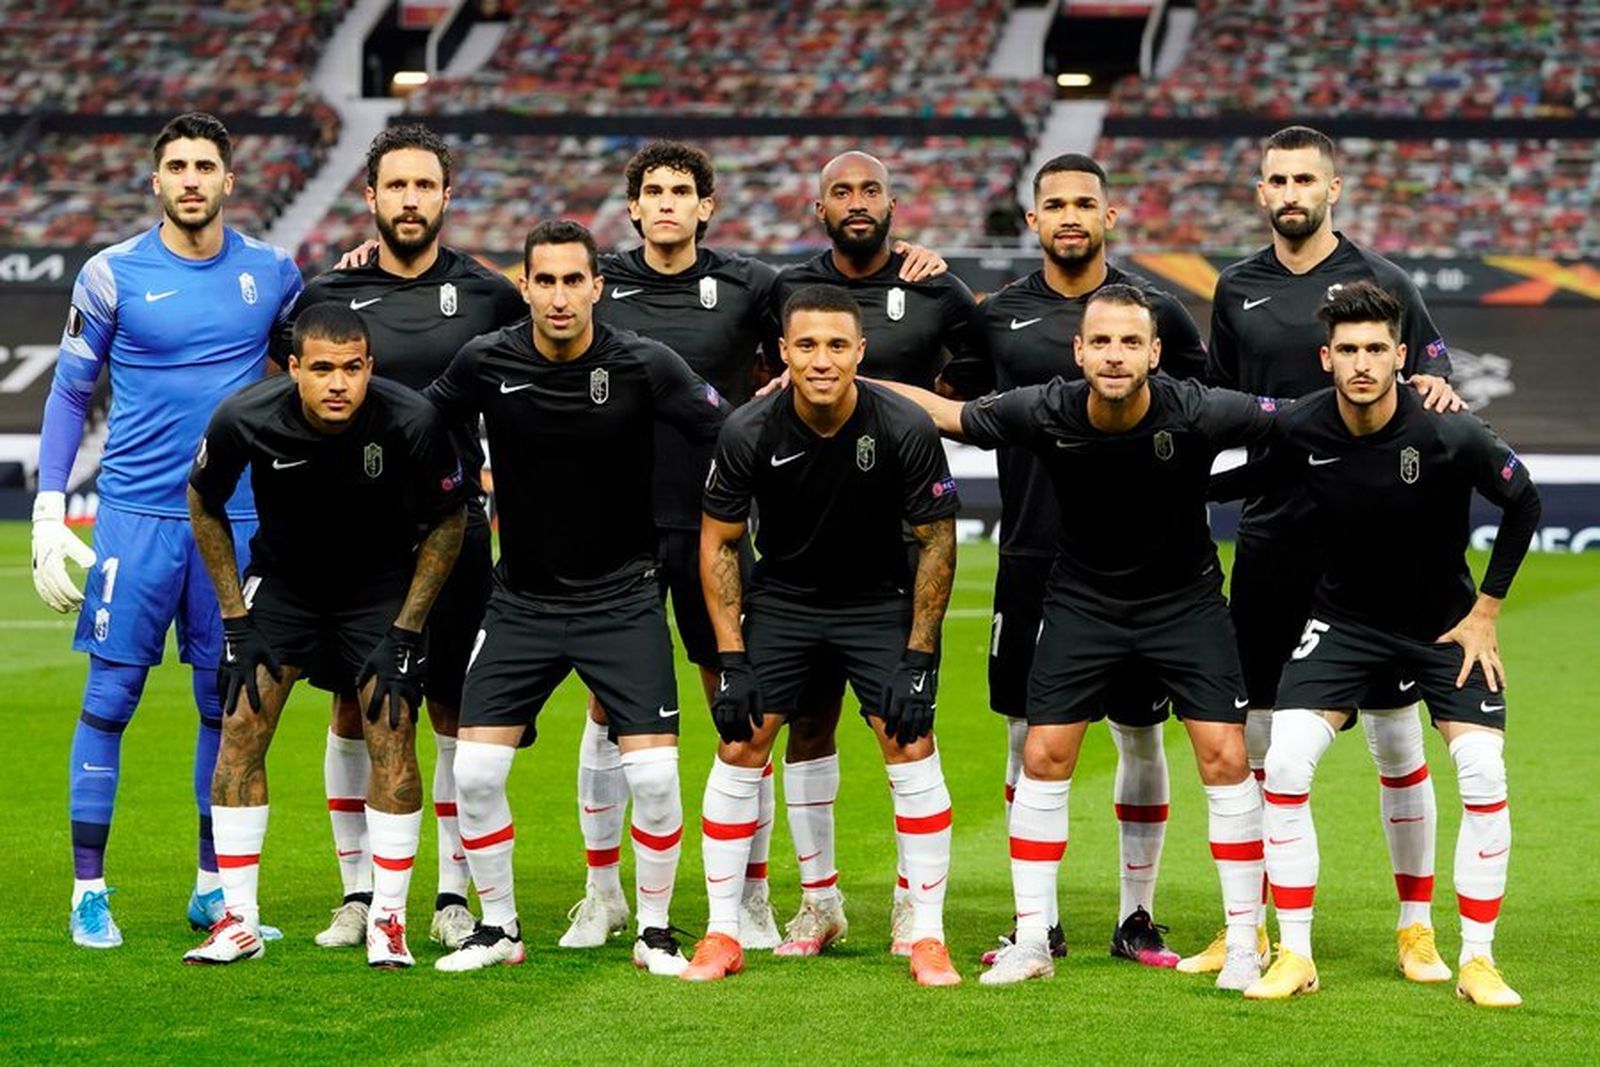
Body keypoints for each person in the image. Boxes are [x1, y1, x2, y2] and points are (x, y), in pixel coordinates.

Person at [566, 141, 953, 955]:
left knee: (736, 710)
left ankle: (750, 898)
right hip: (615, 526)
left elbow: (836, 295)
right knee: (608, 709)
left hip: (721, 522)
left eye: (683, 191)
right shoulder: (590, 280)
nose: (667, 203)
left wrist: (915, 263)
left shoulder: (753, 284)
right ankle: (600, 893)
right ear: (632, 205)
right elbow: (522, 319)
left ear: (707, 205)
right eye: (653, 192)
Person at [888, 285, 1274, 990]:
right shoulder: (1048, 407)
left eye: (1131, 342)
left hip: (1184, 603)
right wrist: (848, 376)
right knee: (1044, 751)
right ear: (1079, 350)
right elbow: (949, 414)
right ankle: (1034, 937)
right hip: (1082, 603)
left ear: (1155, 353)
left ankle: (1247, 938)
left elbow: (1299, 423)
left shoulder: (1198, 409)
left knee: (1225, 753)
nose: (1115, 354)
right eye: (1102, 341)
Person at [1204, 282, 1538, 1007]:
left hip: (1442, 626)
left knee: (1482, 770)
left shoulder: (1450, 429)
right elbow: (1254, 479)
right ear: (1327, 357)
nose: (1361, 363)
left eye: (1375, 350)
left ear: (1400, 356)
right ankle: (1295, 951)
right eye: (1348, 349)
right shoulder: (1303, 426)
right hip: (1344, 624)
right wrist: (1161, 485)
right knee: (1286, 761)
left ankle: (1475, 959)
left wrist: (1486, 610)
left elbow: (1524, 499)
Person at [1185, 124, 1464, 976]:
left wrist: (1440, 386)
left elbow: (1435, 378)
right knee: (1258, 729)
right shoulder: (1235, 289)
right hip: (1273, 530)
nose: (1291, 191)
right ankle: (1251, 923)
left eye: (1306, 177)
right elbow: (1223, 405)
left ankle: (1414, 925)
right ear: (1261, 191)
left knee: (1393, 735)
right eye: (1277, 178)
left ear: (1334, 189)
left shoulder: (1385, 282)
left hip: (1371, 541)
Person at [423, 220, 728, 976]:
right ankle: (498, 928)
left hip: (623, 599)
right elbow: (417, 421)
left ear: (598, 286)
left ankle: (653, 929)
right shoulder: (487, 359)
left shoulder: (643, 362)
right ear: (523, 286)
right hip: (520, 602)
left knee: (655, 779)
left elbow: (727, 427)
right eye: (544, 281)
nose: (559, 297)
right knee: (474, 774)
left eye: (573, 280)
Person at [30, 112, 301, 948]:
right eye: (177, 165)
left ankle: (215, 887)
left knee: (227, 709)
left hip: (237, 521)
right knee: (109, 699)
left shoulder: (274, 273)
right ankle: (89, 891)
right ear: (156, 182)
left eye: (205, 165)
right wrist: (48, 508)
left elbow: (318, 356)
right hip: (136, 520)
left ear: (229, 180)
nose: (191, 178)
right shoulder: (111, 274)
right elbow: (71, 393)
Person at [956, 152, 1210, 969]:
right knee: (1027, 738)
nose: (1070, 215)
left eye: (1084, 203)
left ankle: (1138, 915)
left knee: (1143, 738)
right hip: (1032, 553)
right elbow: (954, 405)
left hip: (1145, 566)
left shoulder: (1158, 311)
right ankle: (1042, 921)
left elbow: (1201, 418)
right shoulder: (994, 317)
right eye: (1053, 203)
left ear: (1110, 216)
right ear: (1032, 220)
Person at [283, 124, 526, 953]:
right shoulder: (326, 294)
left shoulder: (493, 295)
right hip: (350, 539)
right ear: (372, 197)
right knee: (355, 704)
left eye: (426, 185)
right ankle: (359, 891)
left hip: (452, 530)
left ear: (446, 197)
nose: (412, 199)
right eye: (398, 186)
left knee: (457, 706)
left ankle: (452, 894)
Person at [682, 283, 960, 986]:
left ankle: (926, 932)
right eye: (806, 345)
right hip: (787, 600)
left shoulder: (904, 424)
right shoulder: (749, 428)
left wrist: (921, 654)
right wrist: (732, 656)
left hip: (877, 600)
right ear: (783, 351)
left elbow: (936, 540)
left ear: (860, 351)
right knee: (741, 741)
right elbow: (717, 544)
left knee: (910, 740)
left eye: (838, 344)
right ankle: (726, 929)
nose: (822, 359)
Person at [182, 303, 468, 967]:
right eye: (321, 369)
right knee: (241, 727)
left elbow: (450, 520)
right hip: (284, 586)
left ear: (370, 367)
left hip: (378, 589)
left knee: (392, 728)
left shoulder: (410, 419)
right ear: (293, 369)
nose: (338, 383)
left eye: (351, 368)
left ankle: (388, 920)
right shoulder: (243, 416)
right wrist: (234, 615)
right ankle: (238, 919)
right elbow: (204, 499)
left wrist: (407, 626)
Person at [767, 150, 983, 956]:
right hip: (800, 548)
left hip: (899, 557)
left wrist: (919, 405)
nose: (856, 203)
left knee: (905, 725)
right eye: (840, 191)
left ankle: (910, 903)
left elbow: (980, 395)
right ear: (817, 205)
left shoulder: (938, 288)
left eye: (870, 190)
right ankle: (818, 903)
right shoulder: (781, 289)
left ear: (894, 202)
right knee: (807, 726)